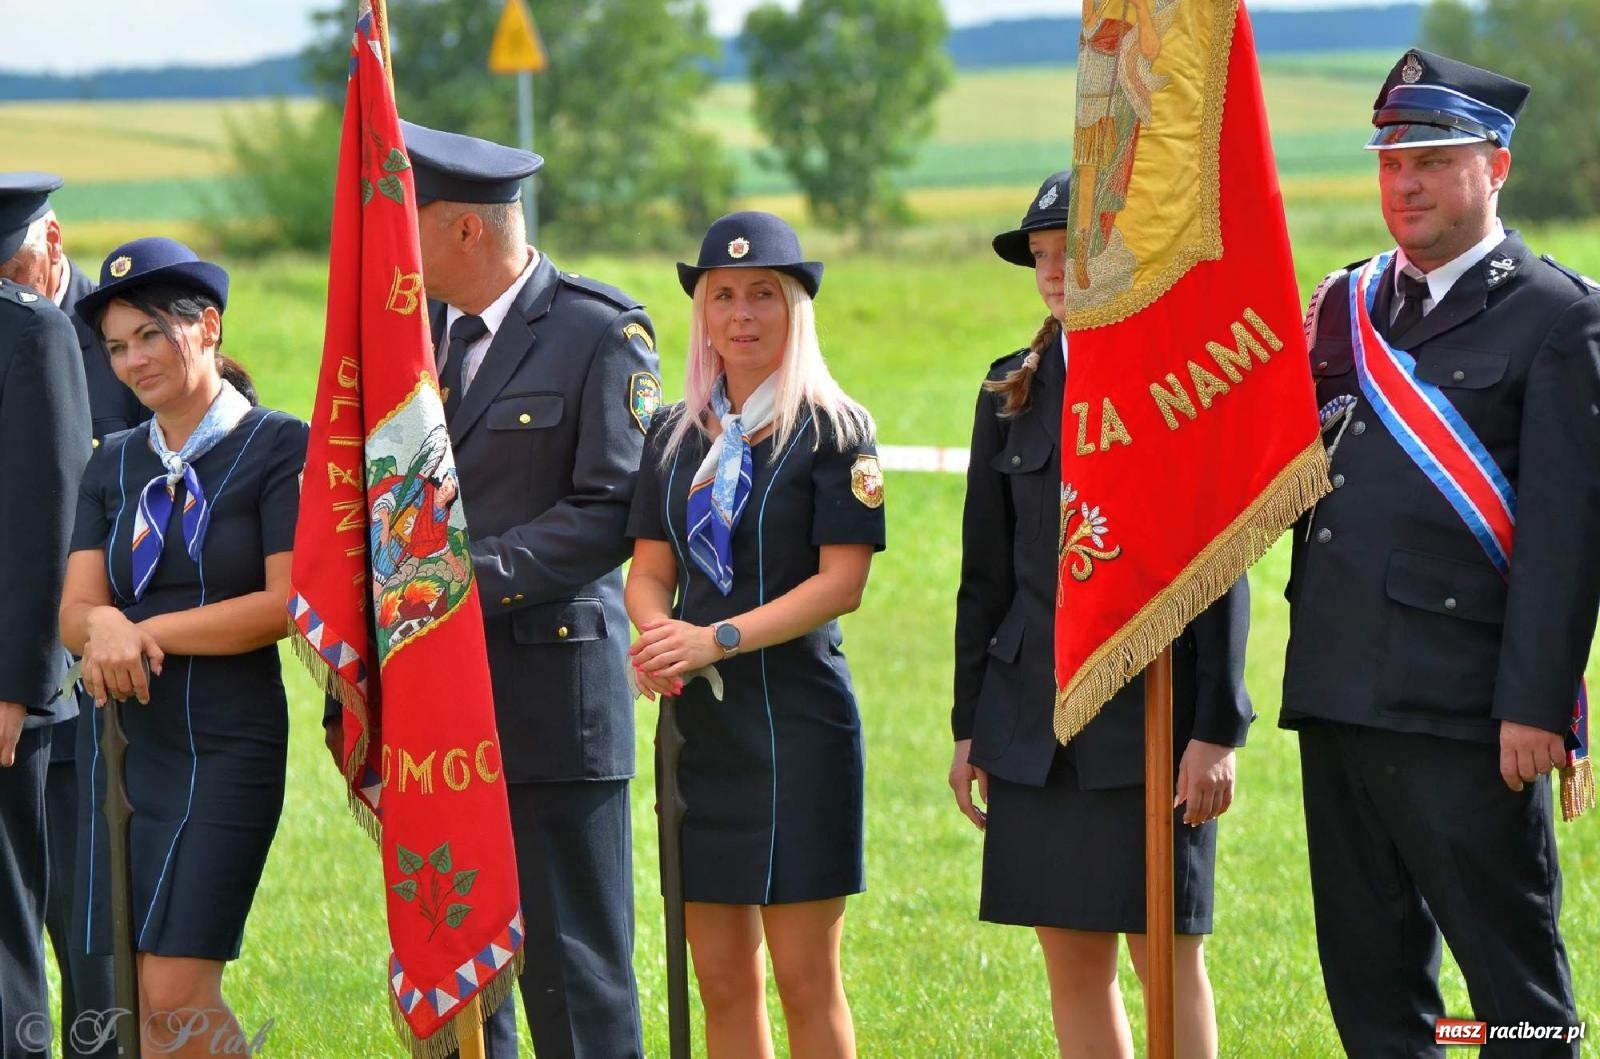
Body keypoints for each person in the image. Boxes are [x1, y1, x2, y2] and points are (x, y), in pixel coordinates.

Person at [321, 119, 660, 1059]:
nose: (388, 249)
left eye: (405, 225)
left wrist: (455, 584)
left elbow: (607, 509)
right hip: (437, 708)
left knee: (573, 969)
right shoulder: (406, 338)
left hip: (551, 701)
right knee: (462, 962)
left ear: (464, 229)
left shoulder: (599, 331)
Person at [1284, 50, 1600, 1057]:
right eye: (1389, 163)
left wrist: (1534, 707)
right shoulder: (1343, 308)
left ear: (1494, 166)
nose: (1404, 184)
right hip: (1335, 696)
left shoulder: (1559, 316)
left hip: (1465, 717)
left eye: (1430, 159)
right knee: (1374, 995)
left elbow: (1565, 537)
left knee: (1514, 1009)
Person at [948, 172, 1252, 1059]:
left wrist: (1216, 729)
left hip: (1151, 717)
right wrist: (972, 726)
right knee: (1070, 959)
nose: (1049, 270)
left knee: (1167, 955)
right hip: (1035, 722)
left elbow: (1219, 567)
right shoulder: (1011, 389)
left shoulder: (1179, 386)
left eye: (1066, 251)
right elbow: (984, 578)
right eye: (1039, 255)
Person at [625, 210, 883, 1059]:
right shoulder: (670, 433)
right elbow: (650, 571)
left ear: (796, 304)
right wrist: (660, 633)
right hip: (700, 735)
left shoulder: (836, 429)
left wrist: (716, 639)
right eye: (722, 295)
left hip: (797, 729)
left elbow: (840, 583)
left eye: (762, 294)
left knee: (807, 981)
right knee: (722, 983)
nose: (741, 314)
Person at [57, 238, 308, 1058]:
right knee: (131, 995)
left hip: (228, 740)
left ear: (207, 327)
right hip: (124, 745)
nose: (132, 362)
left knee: (174, 995)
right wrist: (103, 626)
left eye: (150, 336)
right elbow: (76, 609)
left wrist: (137, 630)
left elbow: (280, 604)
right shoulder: (116, 463)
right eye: (117, 347)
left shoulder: (280, 446)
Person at [0, 171, 130, 1059]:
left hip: (94, 677)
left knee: (95, 930)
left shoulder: (123, 328)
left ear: (51, 244)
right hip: (37, 672)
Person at [0, 207, 93, 1059]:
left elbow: (44, 518)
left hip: (32, 684)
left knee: (27, 926)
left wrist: (19, 682)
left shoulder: (41, 333)